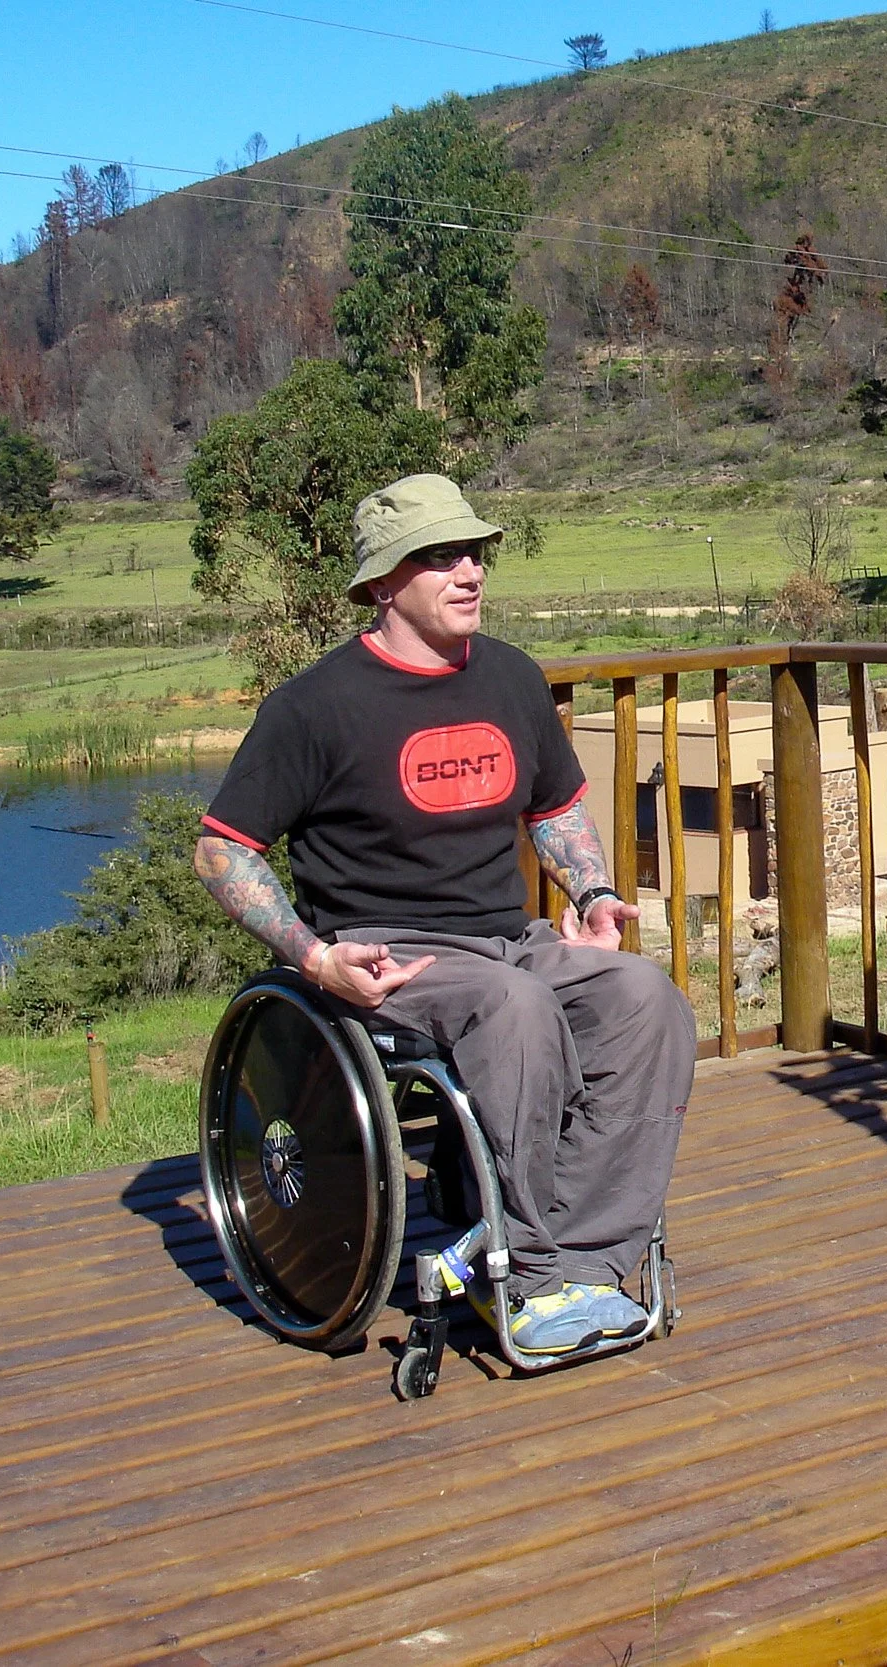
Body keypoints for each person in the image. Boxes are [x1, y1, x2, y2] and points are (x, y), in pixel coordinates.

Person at [193, 473, 697, 1358]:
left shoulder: (508, 676)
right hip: (393, 962)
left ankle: (581, 1251)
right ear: (384, 582)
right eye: (439, 557)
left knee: (642, 999)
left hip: (511, 941)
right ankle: (528, 1280)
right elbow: (223, 849)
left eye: (474, 554)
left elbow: (555, 806)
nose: (468, 572)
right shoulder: (314, 708)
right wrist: (315, 960)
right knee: (516, 1010)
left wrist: (593, 895)